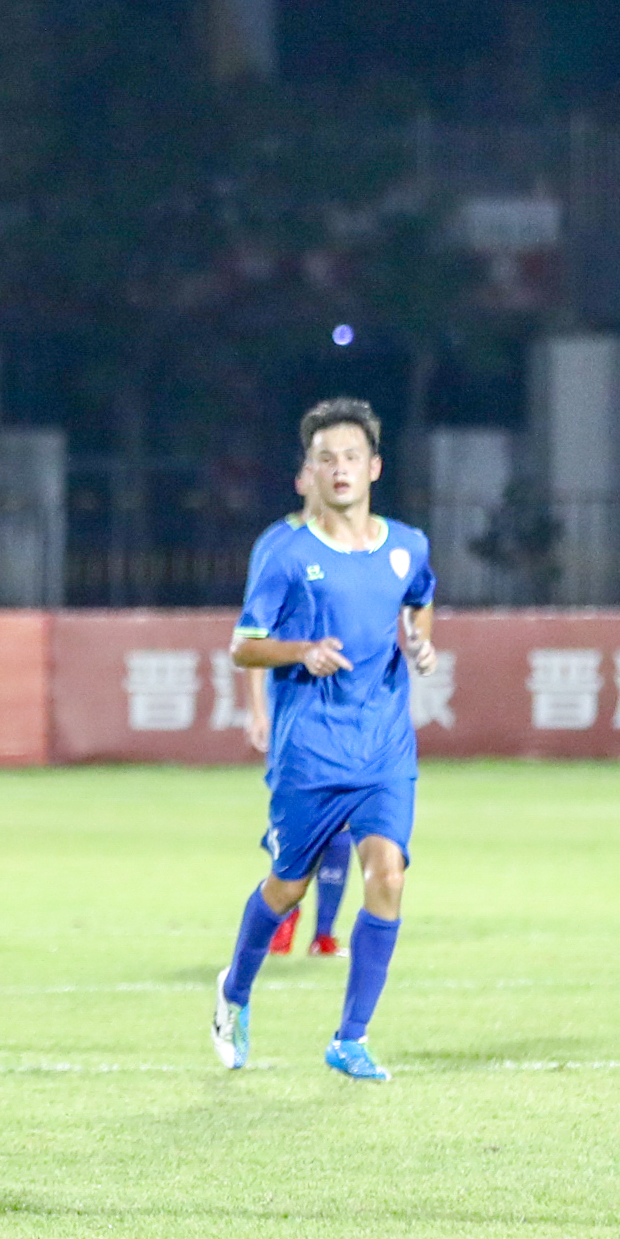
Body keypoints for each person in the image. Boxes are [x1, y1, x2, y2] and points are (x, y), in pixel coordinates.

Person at [212, 400, 436, 1080]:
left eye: (351, 457)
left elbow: (419, 596)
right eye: (325, 458)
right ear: (307, 471)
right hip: (310, 750)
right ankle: (234, 992)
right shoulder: (285, 554)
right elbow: (243, 647)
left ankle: (350, 1037)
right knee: (287, 887)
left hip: (383, 747)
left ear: (374, 467)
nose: (339, 468)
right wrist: (300, 651)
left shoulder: (407, 545)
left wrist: (420, 639)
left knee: (387, 874)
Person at [236, 469, 351, 965]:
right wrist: (258, 709)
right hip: (295, 707)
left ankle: (324, 934)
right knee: (297, 822)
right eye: (318, 466)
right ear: (303, 480)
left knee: (343, 822)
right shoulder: (277, 544)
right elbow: (252, 633)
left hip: (346, 707)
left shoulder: (357, 543)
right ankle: (285, 911)